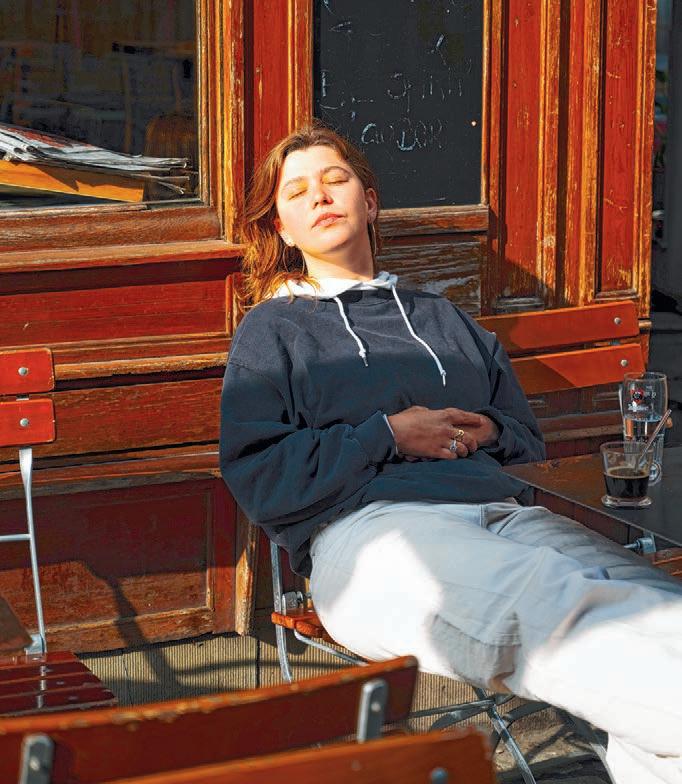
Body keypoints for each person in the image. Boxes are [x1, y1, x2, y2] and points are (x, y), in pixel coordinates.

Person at [220, 123, 682, 784]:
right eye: (296, 192)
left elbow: (524, 441)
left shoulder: (442, 316)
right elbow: (262, 477)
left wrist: (487, 432)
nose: (319, 196)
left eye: (334, 179)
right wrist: (387, 435)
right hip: (372, 534)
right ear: (283, 229)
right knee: (553, 606)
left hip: (504, 513)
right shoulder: (274, 330)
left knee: (652, 600)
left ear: (370, 202)